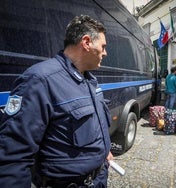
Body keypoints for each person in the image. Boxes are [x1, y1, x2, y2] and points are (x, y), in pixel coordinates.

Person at [0, 15, 114, 188]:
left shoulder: (90, 80)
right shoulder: (40, 80)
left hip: (98, 179)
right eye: (103, 46)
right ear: (86, 42)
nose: (105, 53)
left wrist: (104, 151)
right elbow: (13, 158)